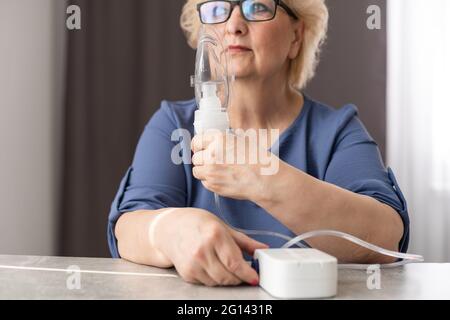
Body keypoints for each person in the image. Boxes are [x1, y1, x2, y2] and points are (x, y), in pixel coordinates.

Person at [108, 0, 409, 287]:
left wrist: (263, 177)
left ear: (296, 35)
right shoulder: (174, 125)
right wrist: (170, 229)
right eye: (217, 9)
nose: (233, 25)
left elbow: (385, 238)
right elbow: (128, 230)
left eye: (258, 7)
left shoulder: (335, 133)